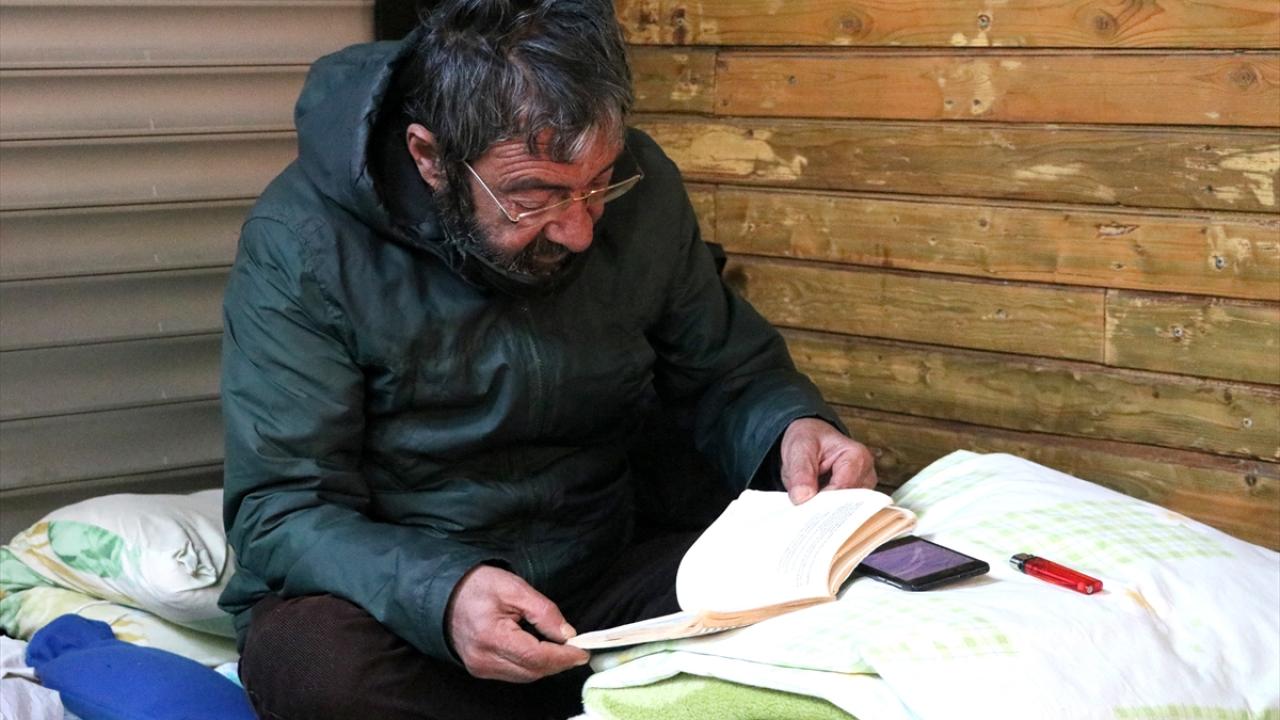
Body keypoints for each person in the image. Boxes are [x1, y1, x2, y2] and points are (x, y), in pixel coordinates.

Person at [218, 1, 877, 718]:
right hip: (409, 608)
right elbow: (279, 508)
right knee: (318, 670)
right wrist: (445, 596)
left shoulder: (644, 186)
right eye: (536, 197)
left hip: (605, 566)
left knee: (850, 588)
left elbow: (728, 372)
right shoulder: (302, 242)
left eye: (599, 184)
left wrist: (791, 427)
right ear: (430, 157)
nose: (579, 230)